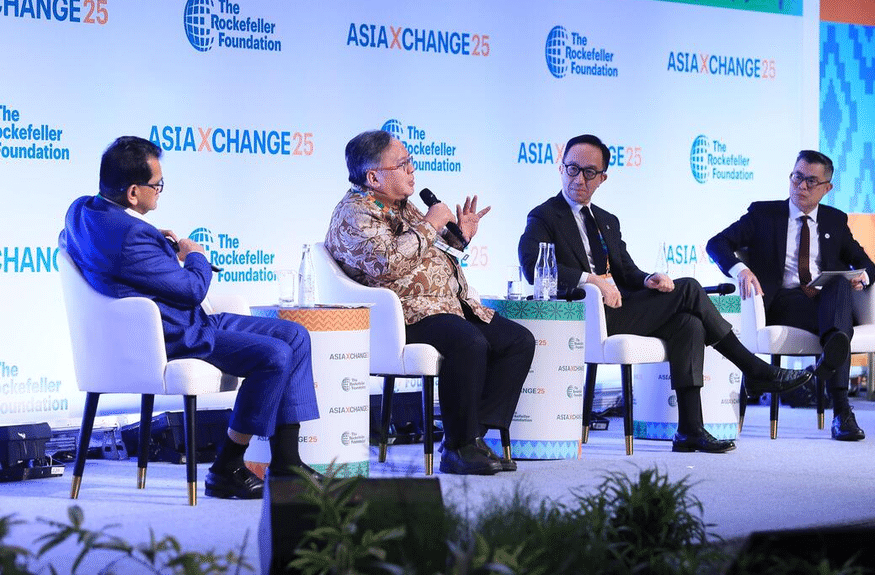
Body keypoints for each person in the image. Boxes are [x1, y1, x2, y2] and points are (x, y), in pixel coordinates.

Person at [60, 136, 321, 499]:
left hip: (186, 319)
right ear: (133, 193)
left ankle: (287, 463)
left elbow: (125, 258)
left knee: (295, 336)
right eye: (157, 186)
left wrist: (159, 244)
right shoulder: (131, 235)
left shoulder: (82, 211)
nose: (160, 192)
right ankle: (227, 466)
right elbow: (193, 289)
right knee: (274, 356)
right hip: (176, 334)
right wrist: (194, 253)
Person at [518, 134, 812, 453]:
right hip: (582, 318)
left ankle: (689, 430)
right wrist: (592, 280)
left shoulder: (606, 221)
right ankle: (753, 369)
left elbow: (628, 272)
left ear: (602, 178)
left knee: (689, 323)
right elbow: (534, 266)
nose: (579, 178)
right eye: (572, 168)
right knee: (689, 287)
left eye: (589, 172)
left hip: (621, 308)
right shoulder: (544, 216)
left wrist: (649, 279)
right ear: (560, 168)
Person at [326, 130, 534, 475]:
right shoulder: (354, 214)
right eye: (403, 163)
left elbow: (426, 255)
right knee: (469, 342)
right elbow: (388, 264)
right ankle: (461, 445)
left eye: (410, 161)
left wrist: (459, 236)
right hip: (401, 315)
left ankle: (470, 438)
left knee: (518, 341)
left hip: (445, 305)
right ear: (373, 176)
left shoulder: (401, 206)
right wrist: (429, 224)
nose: (412, 170)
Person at [707, 150, 875, 441]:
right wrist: (740, 270)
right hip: (784, 304)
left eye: (811, 181)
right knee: (838, 328)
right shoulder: (764, 215)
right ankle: (842, 411)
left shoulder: (835, 221)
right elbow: (716, 243)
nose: (801, 186)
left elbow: (866, 263)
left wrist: (864, 277)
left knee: (838, 286)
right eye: (797, 177)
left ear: (826, 188)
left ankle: (833, 353)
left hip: (826, 304)